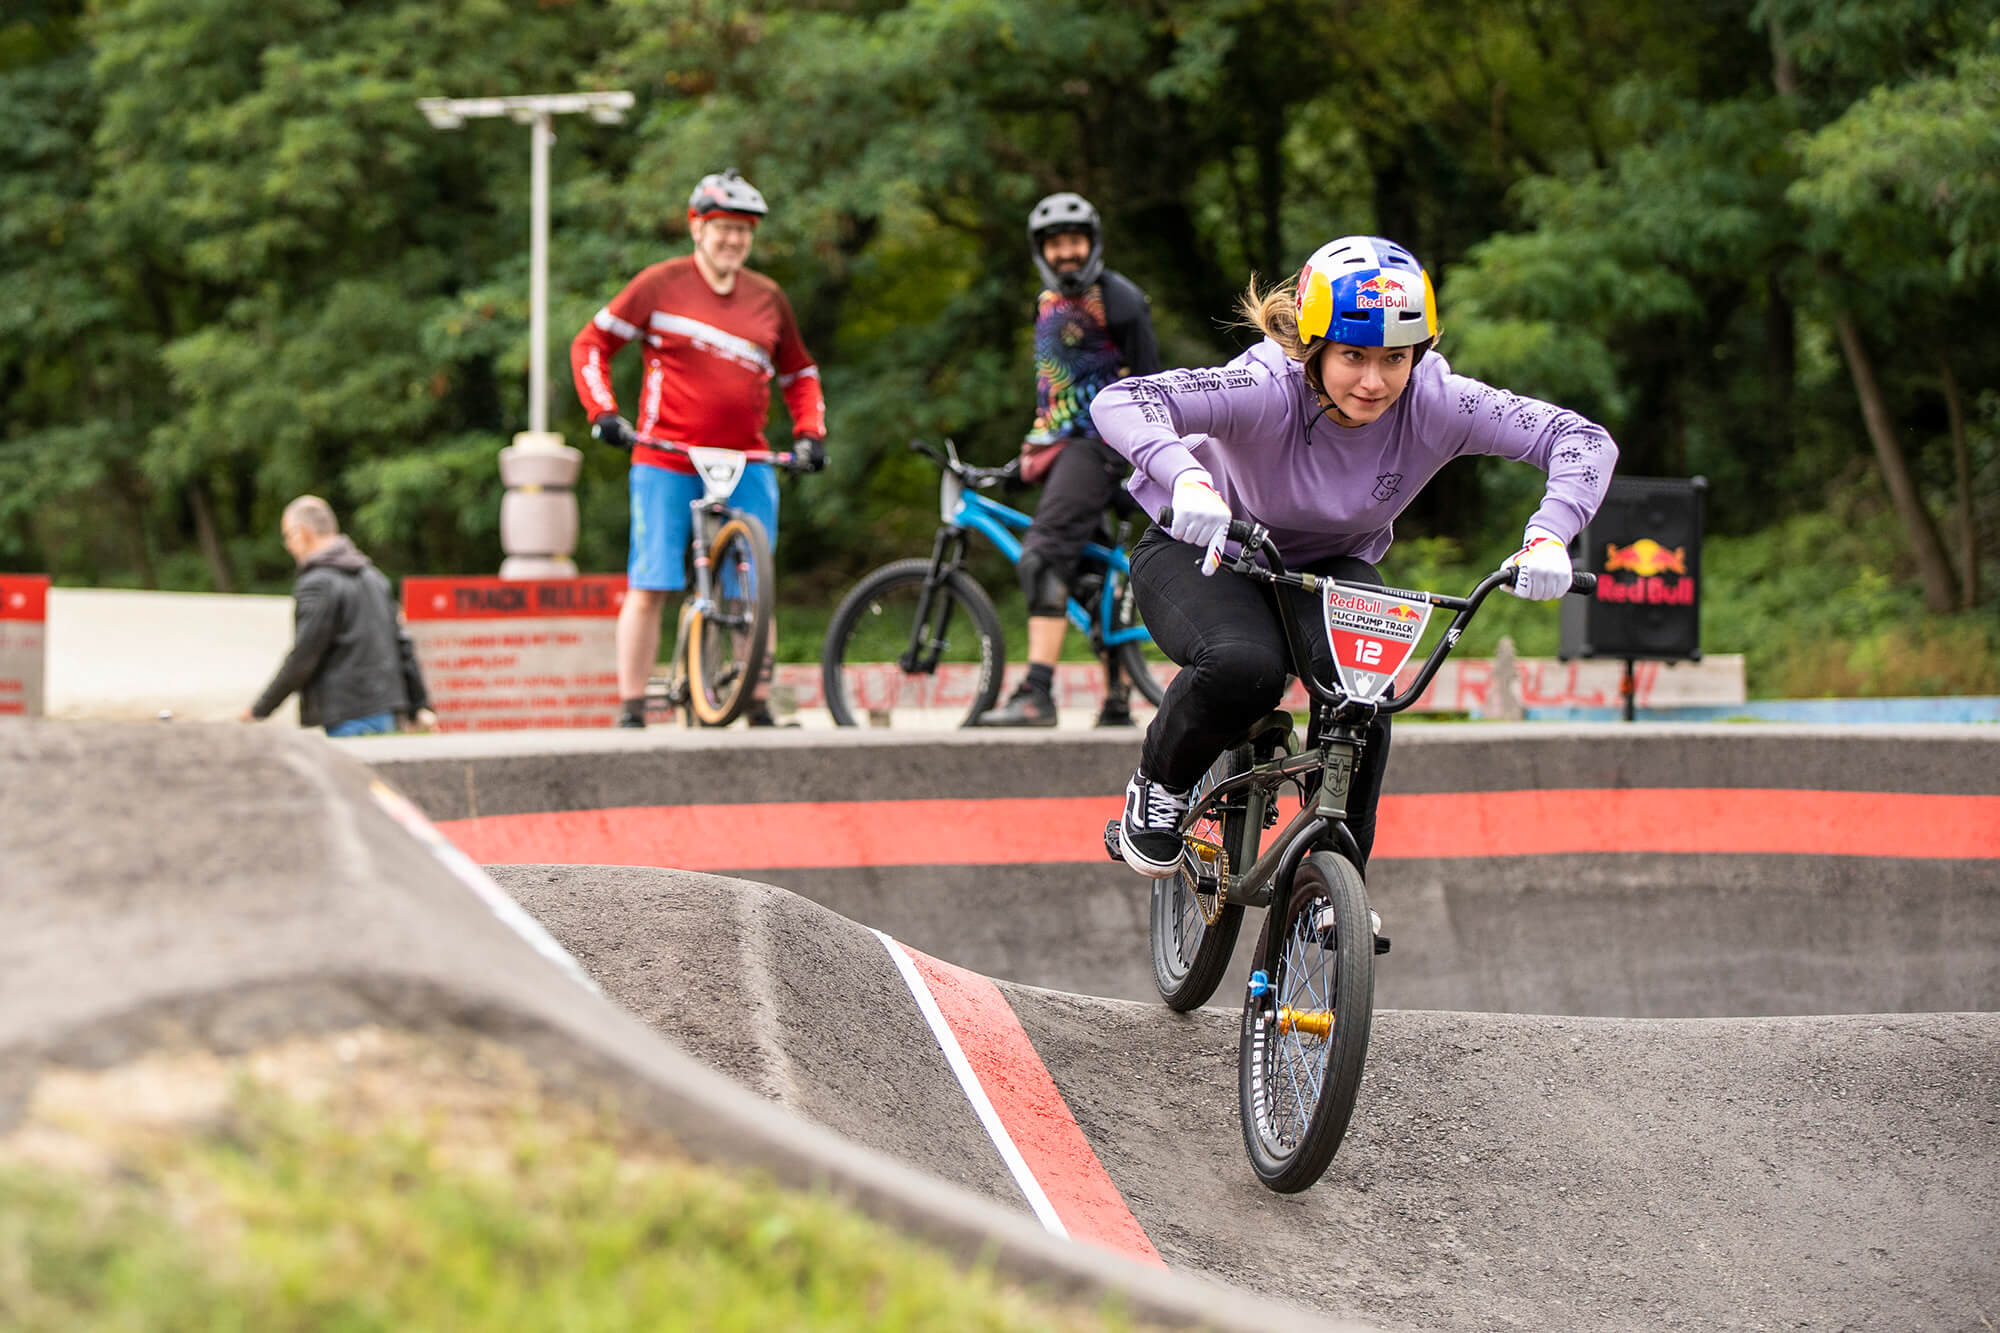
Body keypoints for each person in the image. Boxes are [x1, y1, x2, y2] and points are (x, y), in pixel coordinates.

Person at [1092, 234, 1616, 876]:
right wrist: (1185, 477)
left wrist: (1550, 534)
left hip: (1324, 571)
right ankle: (1158, 786)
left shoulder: (1437, 401)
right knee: (1244, 668)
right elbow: (1123, 399)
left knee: (1364, 692)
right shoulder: (1265, 386)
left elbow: (1579, 438)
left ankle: (1333, 878)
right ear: (1313, 348)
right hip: (1205, 549)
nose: (1374, 382)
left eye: (1396, 358)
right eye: (1352, 356)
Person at [571, 168, 828, 728]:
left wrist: (810, 434)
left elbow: (800, 374)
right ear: (696, 227)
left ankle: (754, 699)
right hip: (667, 455)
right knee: (650, 582)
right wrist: (605, 412)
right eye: (723, 228)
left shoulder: (767, 298)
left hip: (747, 460)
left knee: (755, 582)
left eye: (744, 230)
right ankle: (632, 707)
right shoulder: (659, 284)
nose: (734, 239)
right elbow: (592, 342)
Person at [973, 191, 1162, 728]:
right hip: (1063, 450)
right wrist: (1028, 455)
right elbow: (1057, 393)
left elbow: (1153, 383)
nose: (1067, 254)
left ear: (1093, 243)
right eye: (1056, 245)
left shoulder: (1121, 299)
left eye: (1074, 241)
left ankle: (1036, 693)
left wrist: (1142, 461)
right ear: (1042, 251)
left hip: (1100, 447)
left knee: (1043, 555)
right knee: (1090, 571)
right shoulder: (1046, 302)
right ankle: (1118, 696)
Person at [242, 495, 434, 737]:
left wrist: (258, 710)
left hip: (348, 718)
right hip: (387, 712)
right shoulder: (373, 577)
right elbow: (402, 645)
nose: (288, 546)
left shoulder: (318, 584)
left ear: (302, 533)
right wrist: (419, 705)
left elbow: (303, 656)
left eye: (288, 536)